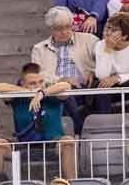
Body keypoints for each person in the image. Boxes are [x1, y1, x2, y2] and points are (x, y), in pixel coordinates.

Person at [31, 7, 97, 135]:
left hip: (82, 89)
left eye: (68, 27)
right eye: (59, 28)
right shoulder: (39, 49)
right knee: (63, 94)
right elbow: (37, 75)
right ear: (51, 28)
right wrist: (60, 80)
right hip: (52, 90)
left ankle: (74, 133)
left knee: (66, 96)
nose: (64, 32)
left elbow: (104, 60)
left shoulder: (89, 40)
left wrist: (94, 72)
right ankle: (78, 132)